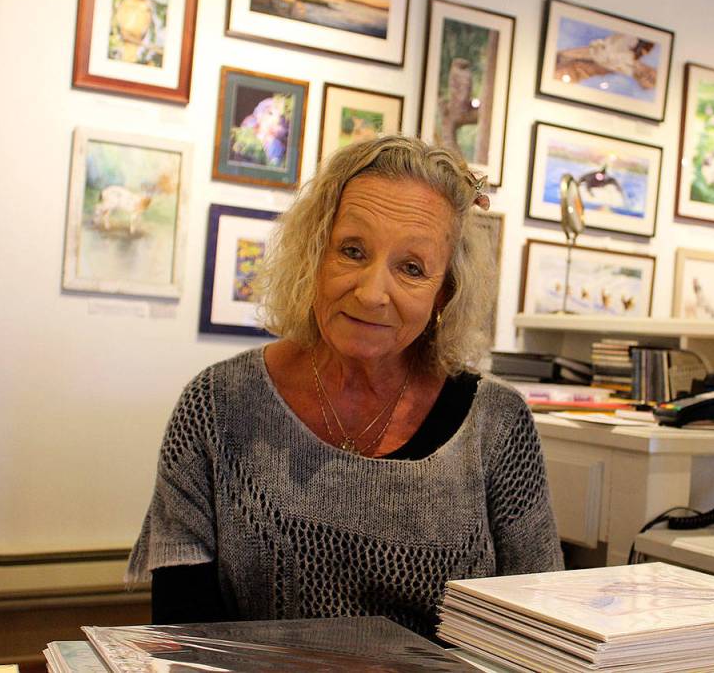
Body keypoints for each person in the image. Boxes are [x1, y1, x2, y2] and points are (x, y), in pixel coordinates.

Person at [126, 136, 564, 637]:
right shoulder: (217, 406)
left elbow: (540, 629)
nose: (372, 293)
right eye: (352, 251)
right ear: (315, 254)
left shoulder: (496, 423)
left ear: (444, 292)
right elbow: (182, 635)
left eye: (412, 268)